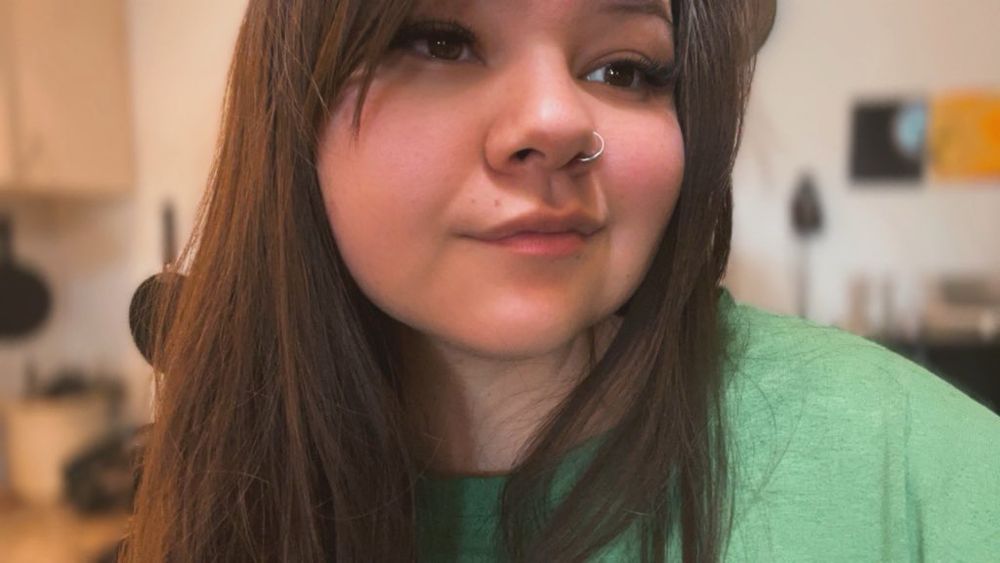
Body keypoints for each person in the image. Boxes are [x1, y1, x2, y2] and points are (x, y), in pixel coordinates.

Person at [119, 0, 1000, 561]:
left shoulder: (915, 463)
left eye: (625, 69)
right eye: (440, 40)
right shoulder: (218, 483)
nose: (554, 121)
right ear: (291, 110)